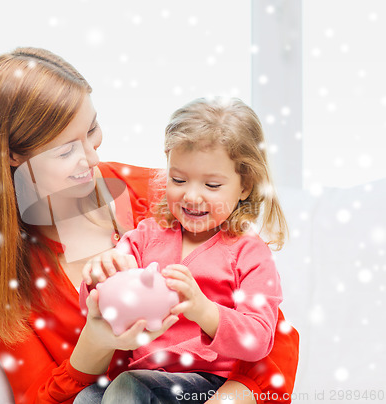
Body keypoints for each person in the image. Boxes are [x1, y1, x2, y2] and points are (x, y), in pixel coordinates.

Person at [0, 47, 299, 404]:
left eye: (92, 129)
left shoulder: (163, 196)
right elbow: (38, 397)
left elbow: (270, 337)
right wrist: (95, 343)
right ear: (13, 154)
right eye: (65, 151)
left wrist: (232, 397)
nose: (92, 158)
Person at [78, 97, 288, 403]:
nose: (191, 195)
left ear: (245, 186)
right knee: (86, 398)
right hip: (143, 378)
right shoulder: (147, 236)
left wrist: (203, 309)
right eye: (178, 179)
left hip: (205, 384)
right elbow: (95, 306)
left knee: (127, 388)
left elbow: (258, 339)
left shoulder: (249, 253)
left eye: (212, 185)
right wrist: (100, 278)